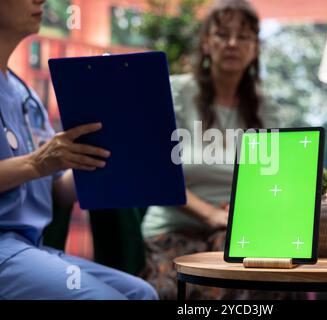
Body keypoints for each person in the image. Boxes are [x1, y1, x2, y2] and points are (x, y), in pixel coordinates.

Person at [0, 0, 158, 300]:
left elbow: (56, 189)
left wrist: (100, 155)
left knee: (143, 293)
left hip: (30, 247)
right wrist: (38, 162)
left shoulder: (26, 95)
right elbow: (40, 165)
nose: (41, 1)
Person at [142, 0, 285, 299]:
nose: (232, 43)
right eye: (222, 34)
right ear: (206, 43)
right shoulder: (175, 93)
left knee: (263, 284)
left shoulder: (266, 109)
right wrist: (210, 214)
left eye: (243, 37)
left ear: (255, 48)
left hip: (239, 234)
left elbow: (271, 182)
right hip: (172, 230)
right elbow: (155, 172)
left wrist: (239, 218)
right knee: (190, 291)